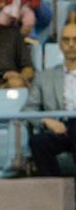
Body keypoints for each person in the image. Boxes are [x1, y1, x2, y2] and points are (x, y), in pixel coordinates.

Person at [25, 22, 76, 175]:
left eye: (75, 39)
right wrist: (46, 120)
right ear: (60, 45)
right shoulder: (44, 77)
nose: (71, 44)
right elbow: (28, 109)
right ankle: (54, 189)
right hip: (59, 128)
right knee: (38, 142)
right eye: (66, 40)